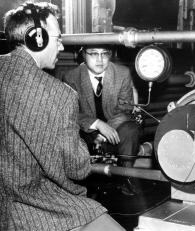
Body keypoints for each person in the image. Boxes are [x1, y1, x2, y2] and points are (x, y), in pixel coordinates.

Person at [0, 2, 125, 230]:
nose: (60, 46)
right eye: (57, 38)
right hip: (33, 207)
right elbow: (77, 168)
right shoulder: (60, 94)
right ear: (37, 38)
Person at [63, 45, 142, 195]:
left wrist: (105, 129)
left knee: (131, 130)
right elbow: (71, 112)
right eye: (93, 54)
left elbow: (126, 109)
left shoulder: (122, 73)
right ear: (83, 55)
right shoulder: (71, 77)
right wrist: (97, 125)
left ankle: (127, 176)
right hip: (87, 131)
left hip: (117, 127)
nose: (100, 59)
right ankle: (80, 184)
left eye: (105, 54)